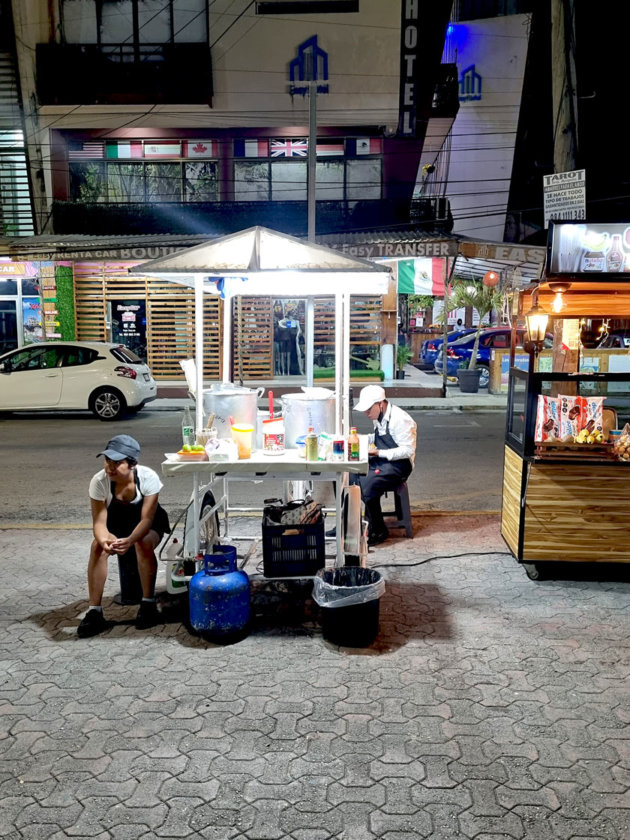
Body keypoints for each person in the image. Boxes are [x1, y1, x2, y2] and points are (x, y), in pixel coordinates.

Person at [78, 434, 170, 638]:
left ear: (132, 464)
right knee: (97, 547)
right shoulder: (99, 481)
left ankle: (147, 605)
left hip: (148, 525)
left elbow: (146, 519)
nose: (110, 467)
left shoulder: (148, 478)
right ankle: (95, 611)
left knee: (142, 543)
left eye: (117, 463)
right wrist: (105, 540)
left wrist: (130, 540)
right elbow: (99, 522)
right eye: (107, 461)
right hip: (116, 524)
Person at [354, 385, 417, 547]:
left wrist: (378, 453)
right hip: (383, 460)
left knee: (368, 483)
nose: (366, 413)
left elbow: (407, 450)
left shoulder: (400, 419)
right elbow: (376, 437)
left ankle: (379, 530)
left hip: (399, 466)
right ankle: (349, 525)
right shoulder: (378, 417)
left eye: (369, 409)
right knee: (352, 475)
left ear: (380, 404)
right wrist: (360, 438)